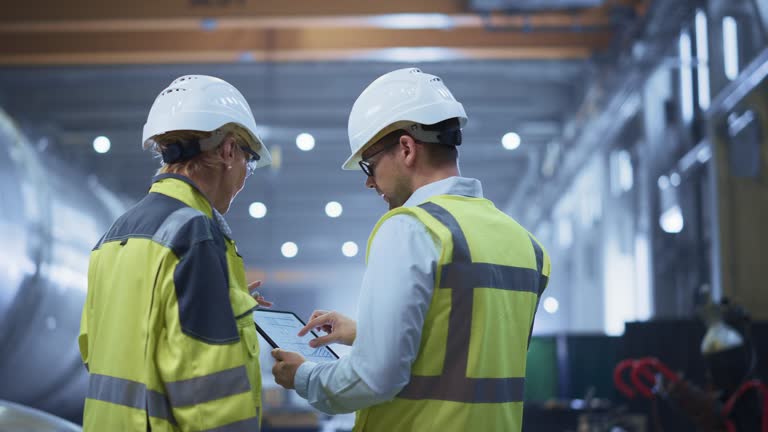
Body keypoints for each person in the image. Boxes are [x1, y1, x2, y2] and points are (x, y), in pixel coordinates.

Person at [271, 68, 551, 431]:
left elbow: (374, 378)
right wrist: (368, 333)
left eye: (369, 166)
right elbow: (470, 351)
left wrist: (303, 376)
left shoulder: (411, 229)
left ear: (406, 148)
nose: (370, 182)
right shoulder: (526, 245)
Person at [78, 75, 273, 431]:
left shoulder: (112, 236)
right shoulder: (193, 235)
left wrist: (225, 306)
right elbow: (210, 394)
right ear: (229, 151)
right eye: (250, 161)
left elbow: (95, 348)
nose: (246, 176)